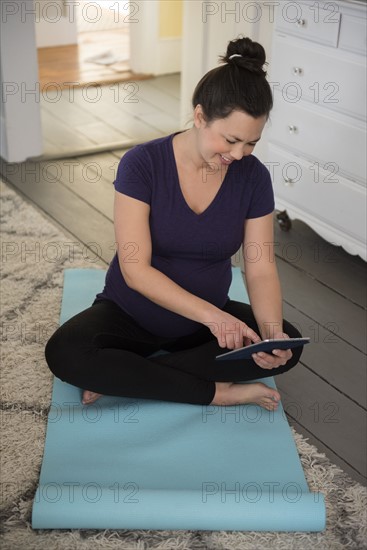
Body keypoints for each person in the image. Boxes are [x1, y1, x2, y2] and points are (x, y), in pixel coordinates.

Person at [45, 37, 304, 411]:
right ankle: (213, 392)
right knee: (66, 353)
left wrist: (271, 334)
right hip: (133, 315)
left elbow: (261, 268)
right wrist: (215, 317)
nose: (238, 154)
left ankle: (133, 377)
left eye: (251, 144)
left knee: (288, 346)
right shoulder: (142, 165)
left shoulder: (254, 178)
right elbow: (135, 270)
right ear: (200, 117)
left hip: (203, 329)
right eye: (230, 140)